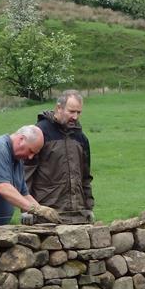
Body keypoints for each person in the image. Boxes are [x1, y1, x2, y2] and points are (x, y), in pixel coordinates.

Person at [24, 90, 94, 224]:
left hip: (78, 215)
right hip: (46, 215)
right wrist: (27, 209)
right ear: (59, 108)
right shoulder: (39, 134)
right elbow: (26, 175)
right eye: (71, 111)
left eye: (78, 112)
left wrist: (89, 207)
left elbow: (85, 177)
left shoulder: (81, 138)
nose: (75, 117)